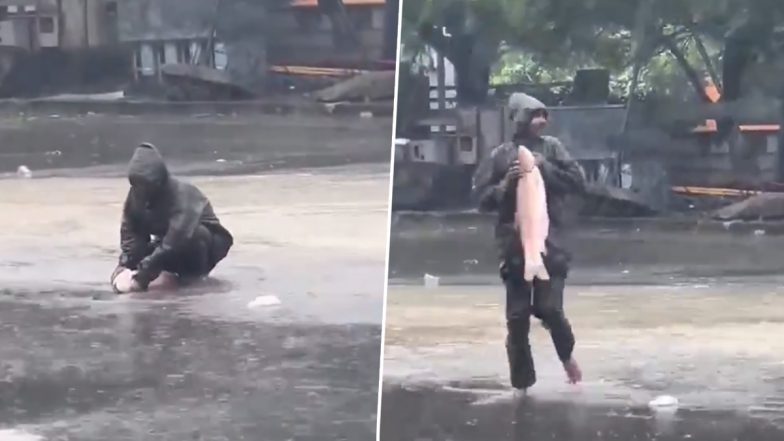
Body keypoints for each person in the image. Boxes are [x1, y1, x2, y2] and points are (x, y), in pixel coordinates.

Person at [471, 93, 585, 391]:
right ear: (519, 118)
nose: (541, 121)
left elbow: (578, 182)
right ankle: (522, 384)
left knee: (550, 309)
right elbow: (480, 200)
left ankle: (567, 356)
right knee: (517, 318)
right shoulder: (500, 156)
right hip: (515, 247)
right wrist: (505, 185)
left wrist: (544, 167)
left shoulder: (553, 148)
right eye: (535, 115)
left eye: (544, 115)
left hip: (552, 244)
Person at [111, 143, 233, 292]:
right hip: (166, 244)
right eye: (137, 185)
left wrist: (145, 273)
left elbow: (177, 238)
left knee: (196, 235)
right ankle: (164, 273)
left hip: (202, 247)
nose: (142, 190)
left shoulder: (182, 194)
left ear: (159, 181)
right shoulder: (136, 196)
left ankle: (194, 278)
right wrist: (125, 266)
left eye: (146, 185)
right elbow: (132, 231)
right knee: (143, 257)